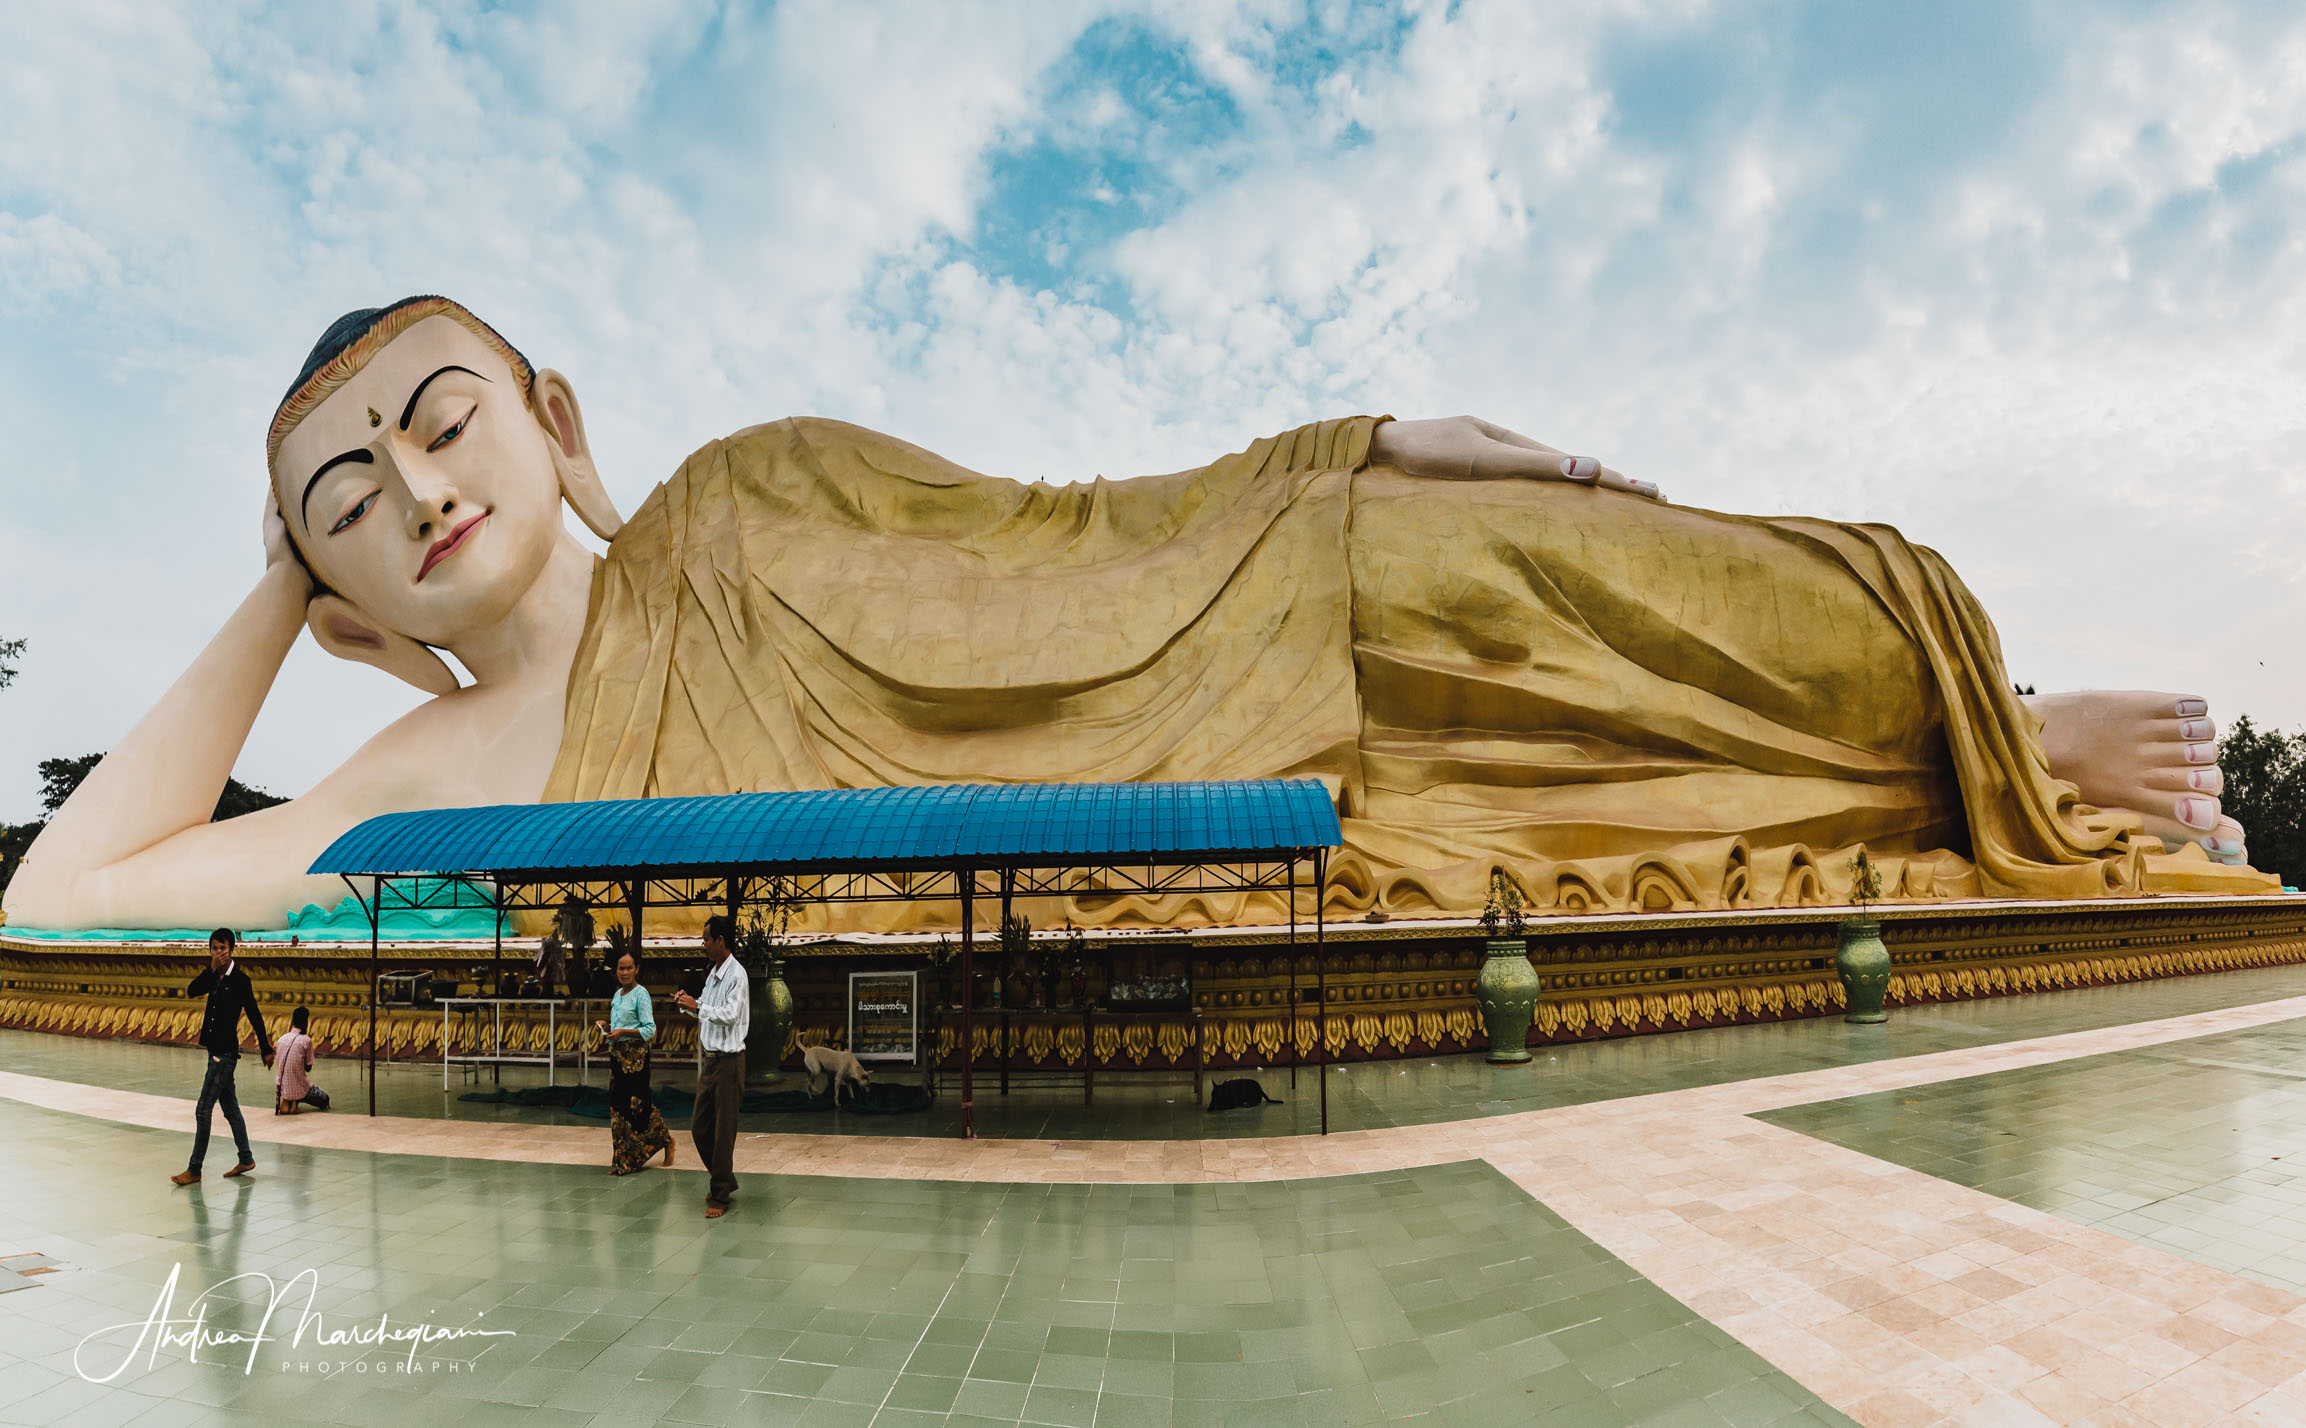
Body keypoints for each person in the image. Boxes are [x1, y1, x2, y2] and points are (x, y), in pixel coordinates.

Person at [4, 295, 2269, 938]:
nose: (414, 493)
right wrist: (265, 599)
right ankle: (1962, 775)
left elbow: (1072, 521)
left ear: (546, 409)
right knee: (1431, 787)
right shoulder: (426, 771)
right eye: (346, 505)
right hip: (1149, 823)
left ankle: (1966, 716)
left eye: (433, 419)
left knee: (1480, 557)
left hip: (1222, 612)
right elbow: (64, 896)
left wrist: (1351, 445)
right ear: (337, 585)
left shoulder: (756, 486)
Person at [171, 929, 274, 1186]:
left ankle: (194, 1169)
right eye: (215, 948)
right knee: (230, 1108)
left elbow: (254, 1014)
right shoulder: (213, 976)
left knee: (203, 1110)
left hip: (223, 1055)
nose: (219, 952)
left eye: (223, 948)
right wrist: (210, 969)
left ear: (232, 949)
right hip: (216, 1052)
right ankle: (246, 1158)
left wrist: (265, 1047)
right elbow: (191, 990)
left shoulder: (240, 980)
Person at [673, 914, 748, 1218]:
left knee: (723, 1131)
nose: (703, 944)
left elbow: (729, 1014)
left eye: (706, 939)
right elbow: (705, 1010)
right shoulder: (713, 973)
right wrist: (688, 1005)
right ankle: (725, 1180)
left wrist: (698, 1005)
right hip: (711, 1061)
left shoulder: (737, 975)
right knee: (699, 1128)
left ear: (721, 940)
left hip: (730, 1062)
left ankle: (720, 1195)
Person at [596, 950, 674, 1175]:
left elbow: (649, 1029)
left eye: (629, 968)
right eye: (621, 968)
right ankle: (622, 1160)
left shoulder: (642, 994)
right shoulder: (617, 994)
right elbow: (618, 1024)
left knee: (639, 1106)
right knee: (618, 1107)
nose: (625, 972)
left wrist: (622, 1032)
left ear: (637, 969)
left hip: (636, 1058)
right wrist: (608, 1026)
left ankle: (666, 1140)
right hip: (618, 1057)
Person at [272, 1005, 328, 1113]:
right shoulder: (306, 1040)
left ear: (292, 1021)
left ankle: (289, 1101)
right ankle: (295, 1101)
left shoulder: (281, 1040)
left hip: (282, 1085)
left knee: (291, 1080)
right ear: (306, 1023)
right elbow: (308, 1068)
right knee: (325, 1099)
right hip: (301, 1086)